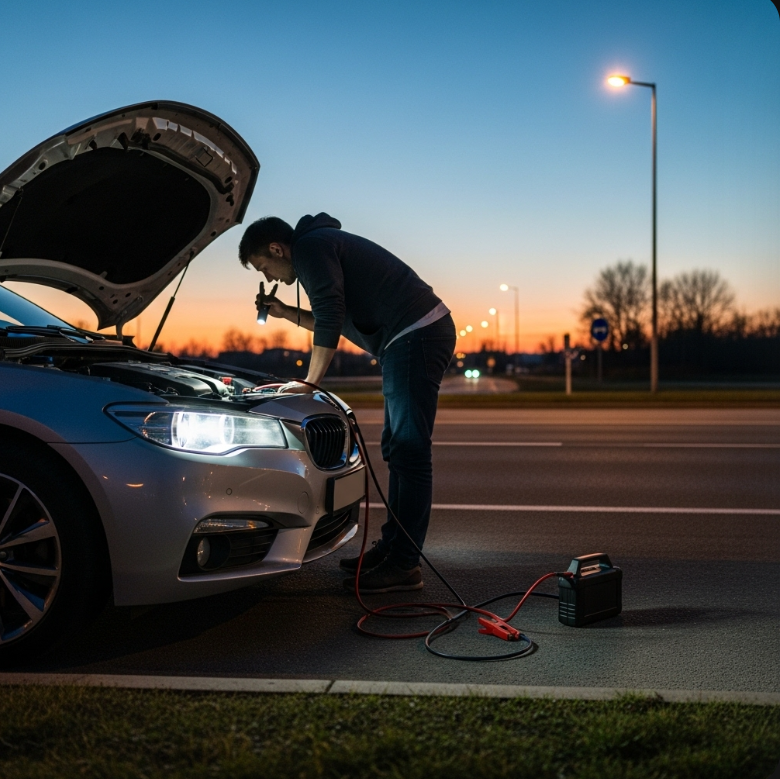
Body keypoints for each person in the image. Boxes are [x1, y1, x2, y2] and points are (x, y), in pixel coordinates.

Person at [238, 213, 455, 593]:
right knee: (397, 449)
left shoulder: (310, 247)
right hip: (409, 337)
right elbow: (332, 316)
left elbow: (330, 313)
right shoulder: (318, 247)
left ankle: (404, 564)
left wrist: (309, 383)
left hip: (415, 335)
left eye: (264, 266)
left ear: (276, 248)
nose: (269, 277)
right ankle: (393, 548)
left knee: (410, 452)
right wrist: (287, 313)